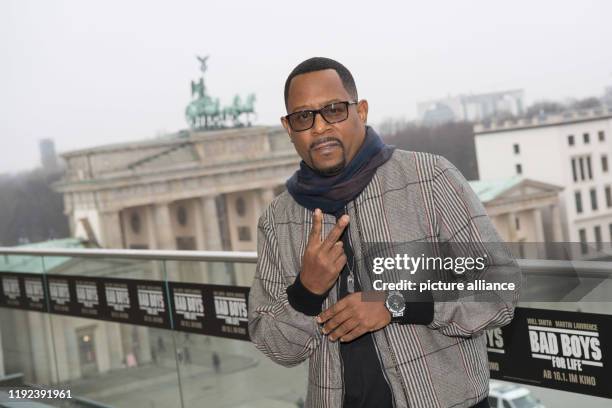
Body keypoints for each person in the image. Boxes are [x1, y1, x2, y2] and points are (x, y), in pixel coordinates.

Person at [248, 57, 521, 408]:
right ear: (289, 128)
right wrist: (305, 291)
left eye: (333, 110)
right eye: (304, 117)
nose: (319, 127)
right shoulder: (277, 220)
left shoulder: (429, 179)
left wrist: (394, 305)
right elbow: (278, 348)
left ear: (360, 111)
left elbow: (501, 288)